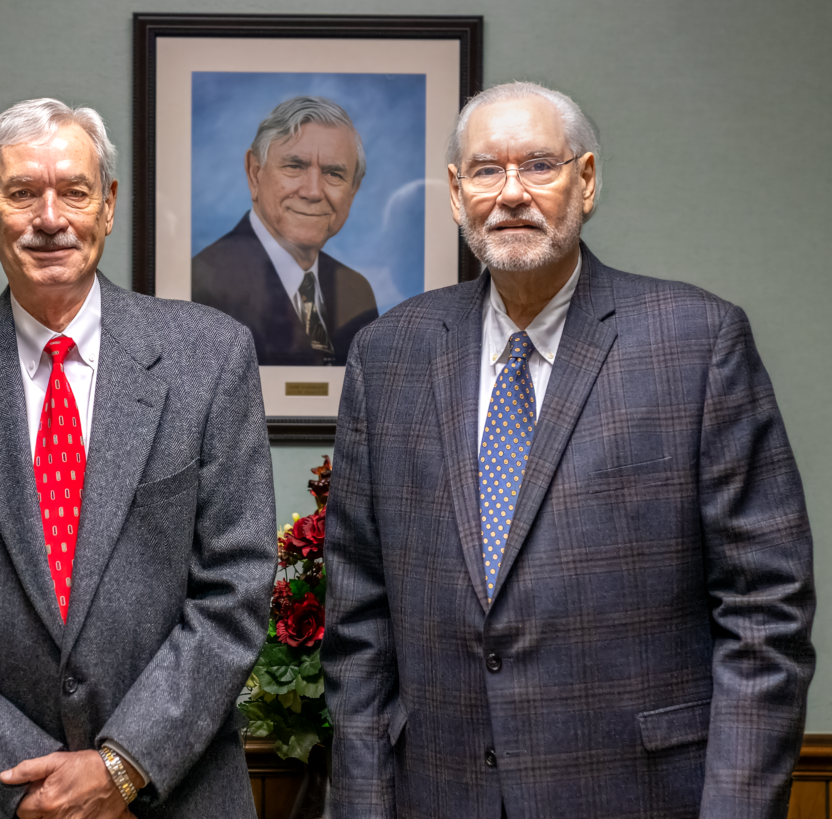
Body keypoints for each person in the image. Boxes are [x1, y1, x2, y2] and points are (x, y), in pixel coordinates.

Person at [321, 81, 815, 819]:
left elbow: (764, 614)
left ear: (585, 181)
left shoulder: (696, 343)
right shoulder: (389, 355)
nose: (511, 193)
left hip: (640, 796)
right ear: (457, 193)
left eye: (540, 166)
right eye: (487, 170)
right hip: (440, 794)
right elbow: (357, 619)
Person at [0, 98, 276, 819]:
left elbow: (235, 590)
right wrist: (31, 787)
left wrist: (122, 763)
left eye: (74, 191)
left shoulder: (212, 359)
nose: (50, 218)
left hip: (176, 795)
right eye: (21, 193)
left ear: (107, 206)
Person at [192, 96, 378, 366]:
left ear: (354, 189)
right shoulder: (201, 286)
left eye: (333, 174)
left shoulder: (356, 291)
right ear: (255, 173)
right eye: (294, 166)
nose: (313, 192)